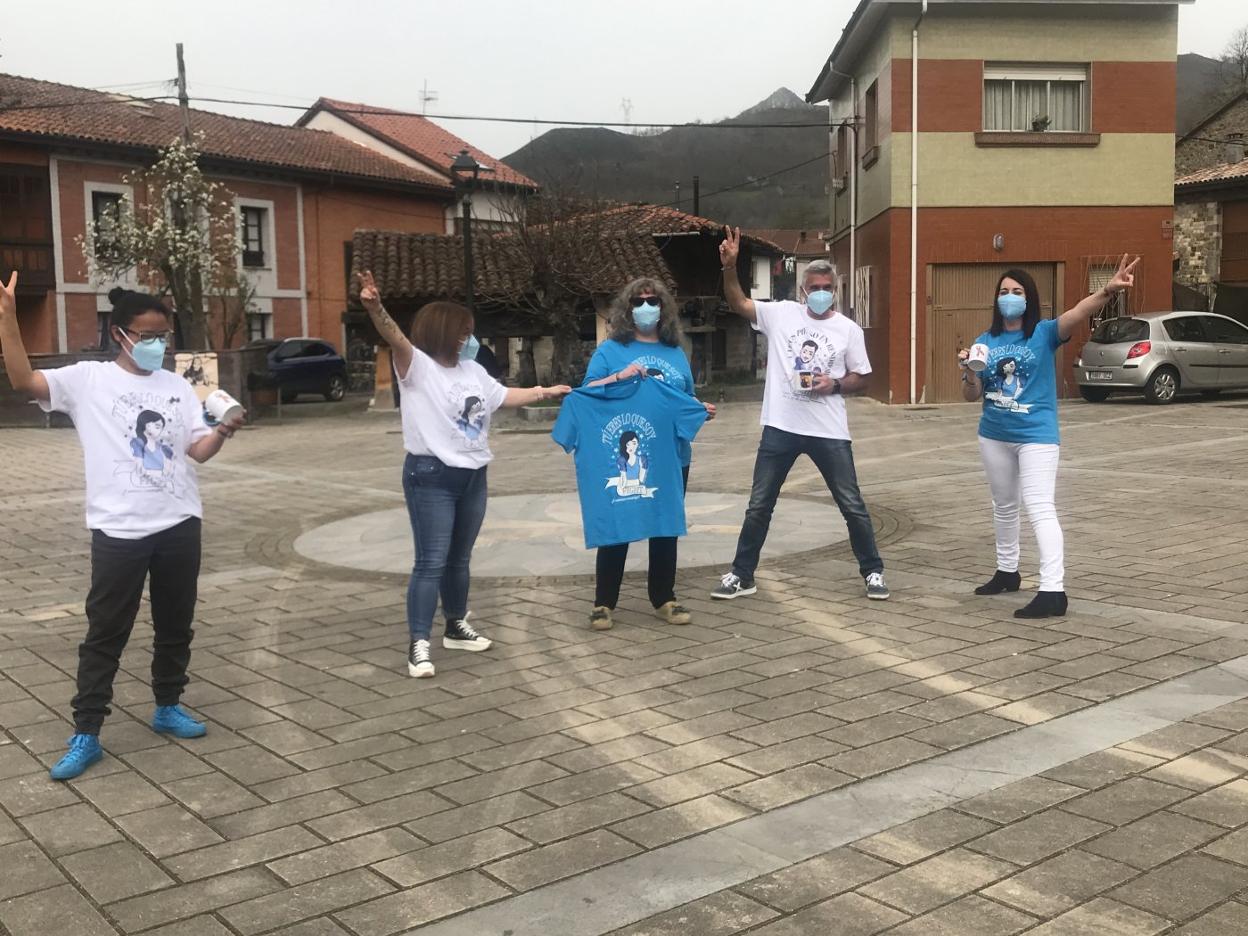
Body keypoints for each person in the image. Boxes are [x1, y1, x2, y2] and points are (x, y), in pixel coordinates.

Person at [0, 277, 244, 781]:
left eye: (163, 336)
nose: (157, 345)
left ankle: (167, 705)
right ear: (119, 335)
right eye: (147, 336)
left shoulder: (177, 386)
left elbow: (196, 451)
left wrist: (222, 429)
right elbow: (24, 381)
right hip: (118, 530)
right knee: (106, 631)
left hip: (179, 522)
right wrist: (7, 319)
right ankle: (87, 731)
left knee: (175, 623)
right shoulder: (87, 380)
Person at [357, 271, 571, 677]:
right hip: (431, 476)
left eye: (470, 332)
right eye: (462, 331)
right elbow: (394, 337)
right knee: (431, 561)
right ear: (442, 331)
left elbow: (503, 396)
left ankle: (456, 625)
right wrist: (376, 308)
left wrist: (546, 391)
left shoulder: (472, 370)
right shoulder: (417, 367)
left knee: (459, 558)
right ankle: (419, 643)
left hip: (473, 476)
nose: (468, 339)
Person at [711, 228, 889, 602]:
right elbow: (739, 303)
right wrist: (729, 267)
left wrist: (834, 384)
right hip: (781, 426)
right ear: (803, 290)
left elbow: (863, 378)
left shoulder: (848, 330)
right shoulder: (781, 314)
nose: (821, 293)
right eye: (814, 288)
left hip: (828, 430)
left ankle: (873, 571)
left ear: (835, 290)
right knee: (759, 504)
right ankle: (742, 574)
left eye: (827, 287)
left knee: (852, 504)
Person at [958, 256, 1138, 618]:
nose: (1010, 297)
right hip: (993, 434)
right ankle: (1007, 571)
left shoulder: (1043, 333)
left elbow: (1078, 312)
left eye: (1017, 291)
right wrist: (969, 372)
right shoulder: (984, 341)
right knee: (1003, 505)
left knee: (1040, 507)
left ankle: (1053, 590)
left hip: (1036, 436)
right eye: (1004, 292)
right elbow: (970, 396)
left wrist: (1107, 289)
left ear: (1029, 298)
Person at [582, 277, 716, 630]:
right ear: (626, 309)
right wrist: (619, 377)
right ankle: (603, 602)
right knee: (619, 523)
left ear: (663, 308)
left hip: (671, 456)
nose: (646, 307)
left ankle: (663, 597)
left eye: (652, 301)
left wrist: (699, 408)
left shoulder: (675, 353)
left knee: (665, 525)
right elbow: (587, 392)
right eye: (638, 301)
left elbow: (684, 397)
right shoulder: (610, 351)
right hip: (625, 456)